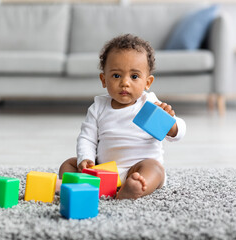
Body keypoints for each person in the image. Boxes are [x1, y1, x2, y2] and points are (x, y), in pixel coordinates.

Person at [57, 34, 186, 200]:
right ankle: (83, 186)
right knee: (68, 164)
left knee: (155, 168)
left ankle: (133, 188)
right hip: (104, 171)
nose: (125, 82)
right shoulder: (98, 107)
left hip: (137, 168)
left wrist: (172, 126)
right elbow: (86, 139)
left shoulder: (150, 103)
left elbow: (179, 132)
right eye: (117, 76)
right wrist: (86, 160)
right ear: (104, 80)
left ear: (147, 82)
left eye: (134, 76)